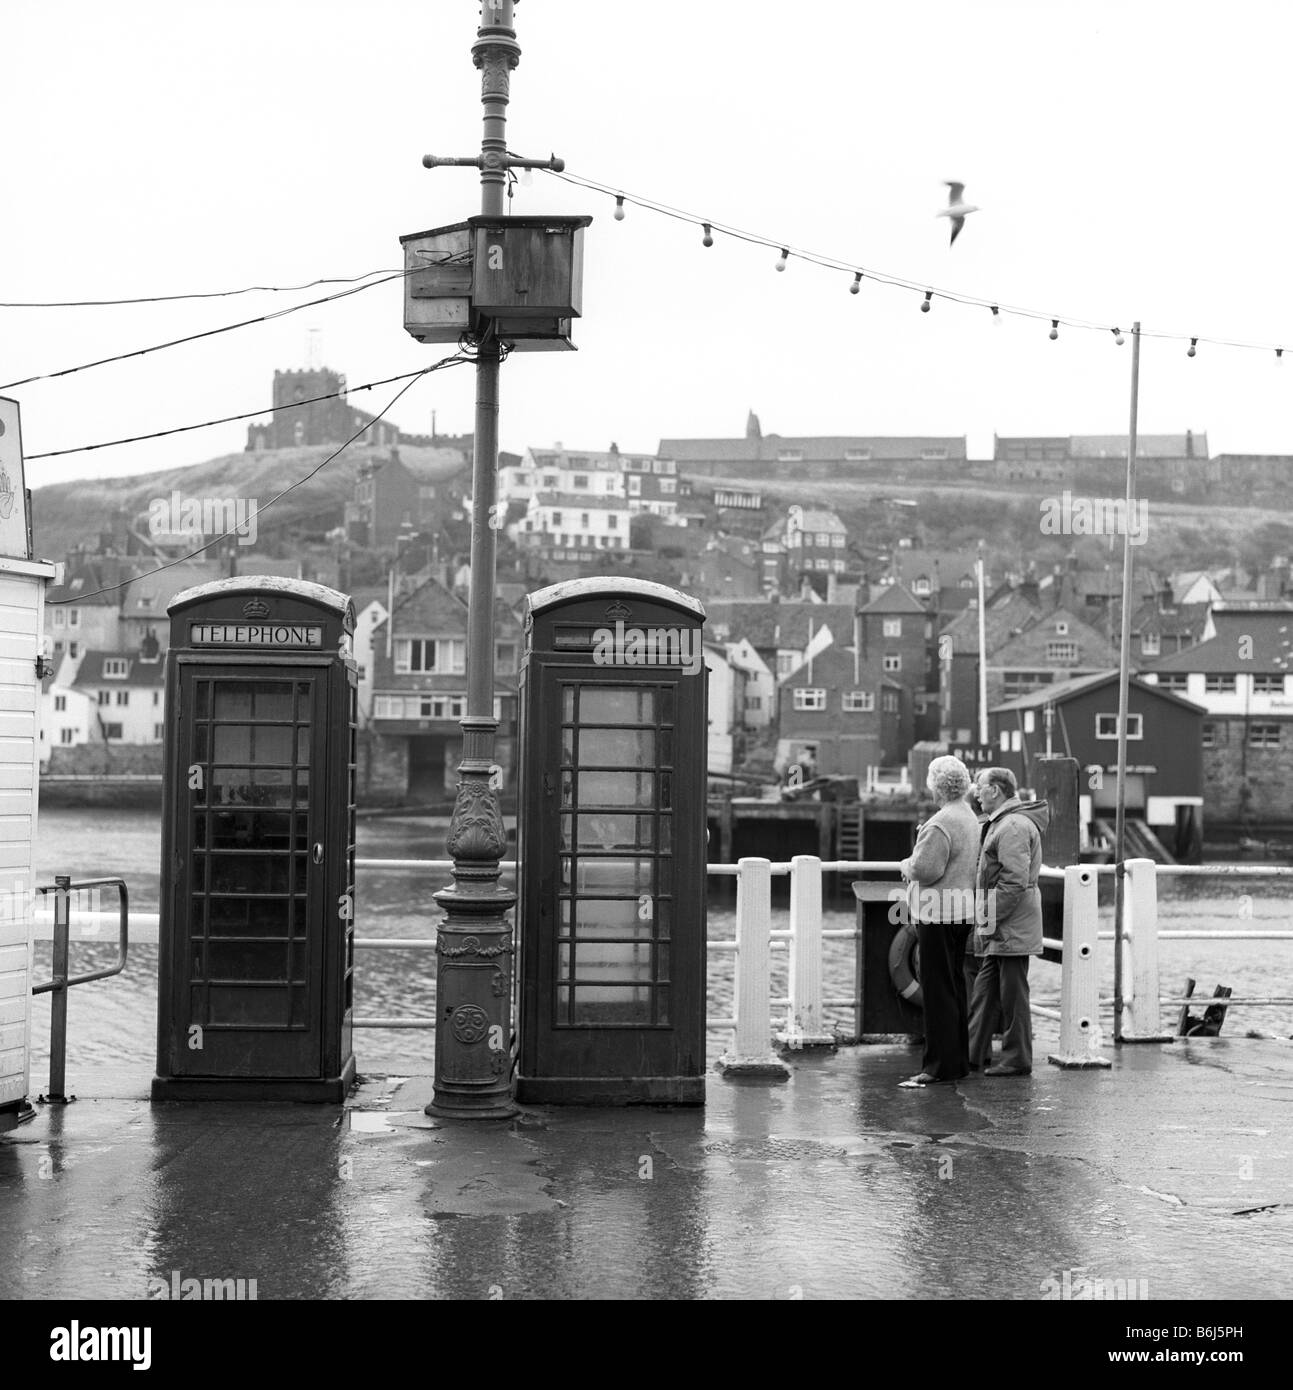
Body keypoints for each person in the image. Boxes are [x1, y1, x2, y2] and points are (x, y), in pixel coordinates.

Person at [896, 755, 980, 1087]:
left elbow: (924, 870)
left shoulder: (941, 822)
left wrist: (906, 864)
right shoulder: (969, 816)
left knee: (937, 992)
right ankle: (957, 1062)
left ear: (935, 786)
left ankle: (936, 1068)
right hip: (962, 910)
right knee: (955, 987)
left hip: (937, 913)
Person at [968, 766, 1050, 1076]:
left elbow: (1014, 882)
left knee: (1013, 996)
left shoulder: (1012, 826)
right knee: (985, 993)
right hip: (1003, 926)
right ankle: (972, 1054)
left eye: (981, 786)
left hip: (1009, 926)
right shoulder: (1004, 823)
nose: (976, 792)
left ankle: (1017, 1059)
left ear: (996, 790)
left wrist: (987, 917)